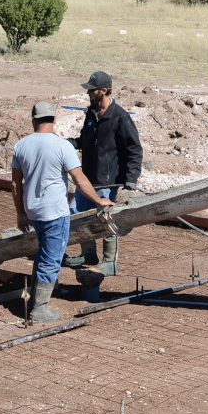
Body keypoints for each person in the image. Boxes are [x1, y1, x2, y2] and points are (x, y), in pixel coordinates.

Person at [12, 102, 115, 323]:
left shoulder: (21, 145)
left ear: (33, 120)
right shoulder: (62, 146)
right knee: (51, 260)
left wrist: (20, 213)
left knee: (43, 255)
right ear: (54, 120)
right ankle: (39, 310)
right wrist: (99, 201)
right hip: (55, 214)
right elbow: (79, 180)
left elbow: (15, 185)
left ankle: (34, 301)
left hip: (33, 211)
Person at [63, 70, 143, 275]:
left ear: (104, 91)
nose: (88, 93)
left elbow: (134, 148)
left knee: (106, 218)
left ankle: (110, 261)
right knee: (78, 215)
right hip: (86, 179)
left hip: (107, 181)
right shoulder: (91, 114)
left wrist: (131, 177)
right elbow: (86, 140)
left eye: (92, 90)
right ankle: (89, 254)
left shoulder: (120, 117)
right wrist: (69, 143)